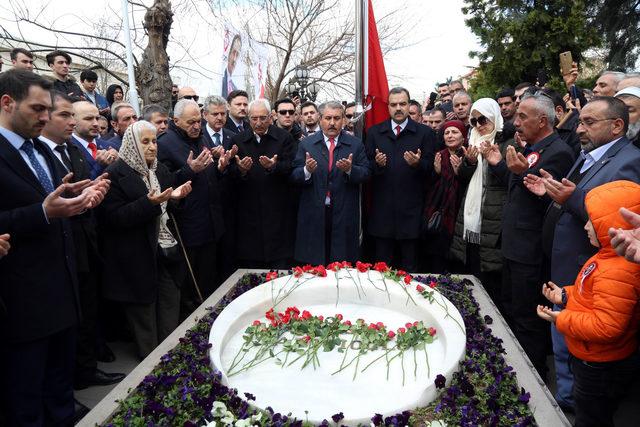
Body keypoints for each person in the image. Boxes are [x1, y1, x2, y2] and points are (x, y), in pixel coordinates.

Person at [0, 69, 108, 426]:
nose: (45, 117)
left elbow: (53, 203)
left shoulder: (41, 151)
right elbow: (34, 211)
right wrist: (42, 213)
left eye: (49, 109)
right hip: (21, 303)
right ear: (7, 103)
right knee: (26, 399)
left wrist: (79, 199)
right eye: (37, 109)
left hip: (62, 294)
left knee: (60, 392)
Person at [524, 95, 640, 410]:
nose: (579, 129)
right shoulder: (589, 154)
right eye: (581, 121)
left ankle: (573, 405)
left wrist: (572, 199)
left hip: (591, 269)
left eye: (589, 122)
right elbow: (570, 198)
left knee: (575, 342)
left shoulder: (629, 160)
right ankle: (568, 399)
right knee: (563, 340)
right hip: (566, 264)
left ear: (617, 125)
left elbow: (616, 217)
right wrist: (549, 193)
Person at [483, 93, 575, 378]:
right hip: (513, 246)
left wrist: (523, 174)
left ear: (543, 120)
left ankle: (531, 377)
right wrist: (504, 166)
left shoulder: (558, 152)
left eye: (523, 116)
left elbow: (550, 203)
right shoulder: (532, 148)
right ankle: (514, 366)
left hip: (531, 250)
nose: (516, 121)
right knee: (511, 308)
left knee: (528, 317)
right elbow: (517, 187)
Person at [38, 91, 125, 390]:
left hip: (86, 243)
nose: (73, 122)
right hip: (58, 249)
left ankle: (85, 371)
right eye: (67, 115)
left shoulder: (72, 150)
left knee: (87, 310)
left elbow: (87, 186)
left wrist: (94, 192)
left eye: (78, 117)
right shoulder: (40, 153)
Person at [538, 180, 640, 427]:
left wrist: (561, 318)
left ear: (613, 226)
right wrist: (565, 296)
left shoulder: (618, 271)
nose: (584, 225)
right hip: (589, 357)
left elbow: (606, 326)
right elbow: (591, 297)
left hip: (599, 366)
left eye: (592, 221)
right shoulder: (605, 256)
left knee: (591, 418)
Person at [100, 121, 193, 359]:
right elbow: (113, 219)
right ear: (132, 143)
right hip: (136, 256)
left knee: (170, 305)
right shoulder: (114, 173)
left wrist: (176, 198)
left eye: (154, 141)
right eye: (145, 142)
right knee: (144, 316)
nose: (152, 147)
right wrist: (149, 204)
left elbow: (170, 208)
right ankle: (150, 370)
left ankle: (171, 357)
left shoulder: (160, 170)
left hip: (166, 251)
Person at [157, 99, 228, 316]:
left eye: (198, 121)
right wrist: (190, 170)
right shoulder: (165, 143)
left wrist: (219, 167)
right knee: (191, 283)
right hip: (188, 225)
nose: (196, 126)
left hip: (211, 222)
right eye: (191, 122)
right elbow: (163, 182)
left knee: (209, 277)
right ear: (175, 120)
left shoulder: (200, 138)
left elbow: (207, 176)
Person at [366, 87, 436, 272]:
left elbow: (432, 170)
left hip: (412, 216)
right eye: (393, 104)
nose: (398, 108)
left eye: (402, 104)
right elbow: (366, 169)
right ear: (388, 107)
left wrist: (418, 164)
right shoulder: (374, 133)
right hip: (382, 217)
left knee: (410, 272)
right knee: (382, 273)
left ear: (409, 105)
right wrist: (378, 165)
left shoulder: (425, 133)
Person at [450, 99, 513, 302]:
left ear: (494, 116)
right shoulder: (472, 143)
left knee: (491, 283)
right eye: (474, 120)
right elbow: (463, 181)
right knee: (471, 276)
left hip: (493, 220)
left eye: (483, 119)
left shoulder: (508, 143)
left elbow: (513, 181)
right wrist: (468, 162)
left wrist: (496, 162)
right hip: (470, 220)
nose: (478, 125)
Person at [292, 101, 369, 265]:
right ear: (320, 119)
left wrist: (350, 169)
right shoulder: (307, 144)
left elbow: (366, 173)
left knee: (341, 263)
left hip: (344, 212)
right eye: (328, 118)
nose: (332, 123)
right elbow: (295, 175)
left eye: (336, 118)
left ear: (343, 120)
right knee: (314, 262)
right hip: (315, 212)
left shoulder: (355, 145)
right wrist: (307, 170)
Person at [229, 99, 296, 269]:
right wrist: (242, 170)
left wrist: (274, 166)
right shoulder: (238, 140)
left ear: (271, 117)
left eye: (263, 118)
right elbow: (229, 175)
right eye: (254, 118)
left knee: (279, 265)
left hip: (277, 210)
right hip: (248, 213)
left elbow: (292, 167)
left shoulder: (284, 138)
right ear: (248, 119)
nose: (258, 123)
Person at [201, 95, 237, 284]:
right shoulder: (199, 138)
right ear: (205, 115)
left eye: (223, 113)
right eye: (215, 114)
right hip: (206, 207)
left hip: (228, 204)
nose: (220, 118)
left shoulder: (232, 136)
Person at [422, 120, 467, 273]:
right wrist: (436, 172)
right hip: (438, 215)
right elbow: (428, 186)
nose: (450, 136)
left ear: (463, 137)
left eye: (454, 132)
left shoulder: (468, 155)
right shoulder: (439, 156)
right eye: (447, 132)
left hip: (460, 213)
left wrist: (460, 173)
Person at [72, 101, 118, 179]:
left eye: (97, 118)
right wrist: (100, 165)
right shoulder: (67, 149)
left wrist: (119, 163)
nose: (96, 124)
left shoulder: (110, 147)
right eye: (89, 119)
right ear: (73, 121)